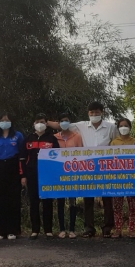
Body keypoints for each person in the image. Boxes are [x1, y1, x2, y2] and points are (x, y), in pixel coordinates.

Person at [47, 101, 118, 238]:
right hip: (88, 167)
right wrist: (45, 122)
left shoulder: (111, 127)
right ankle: (89, 228)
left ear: (102, 113)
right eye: (91, 113)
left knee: (107, 198)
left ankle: (108, 227)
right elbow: (61, 125)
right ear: (88, 114)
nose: (94, 115)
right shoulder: (81, 126)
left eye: (97, 112)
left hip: (105, 167)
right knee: (88, 199)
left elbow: (116, 144)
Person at [0, 113, 25, 240]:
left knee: (13, 199)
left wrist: (22, 174)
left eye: (7, 120)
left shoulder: (18, 136)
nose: (5, 122)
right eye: (2, 120)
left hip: (13, 168)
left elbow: (22, 156)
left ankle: (12, 230)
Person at [22, 113, 60, 240]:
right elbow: (22, 159)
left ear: (46, 124)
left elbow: (58, 157)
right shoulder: (28, 139)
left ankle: (48, 230)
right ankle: (35, 230)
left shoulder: (52, 138)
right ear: (34, 124)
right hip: (31, 175)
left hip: (47, 175)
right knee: (33, 202)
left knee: (47, 202)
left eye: (42, 122)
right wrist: (23, 176)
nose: (40, 124)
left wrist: (55, 174)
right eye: (38, 121)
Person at [54, 113, 83, 239]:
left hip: (73, 173)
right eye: (62, 121)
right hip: (59, 174)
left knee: (72, 202)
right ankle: (61, 229)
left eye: (66, 121)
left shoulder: (76, 137)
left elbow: (82, 153)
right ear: (59, 123)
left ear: (70, 122)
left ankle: (71, 229)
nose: (64, 123)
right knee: (60, 202)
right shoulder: (54, 137)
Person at [111, 118, 135, 239]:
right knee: (117, 205)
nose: (123, 128)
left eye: (126, 125)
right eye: (121, 126)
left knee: (132, 205)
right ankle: (118, 230)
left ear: (130, 127)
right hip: (117, 177)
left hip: (131, 178)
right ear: (118, 128)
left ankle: (131, 230)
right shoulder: (113, 142)